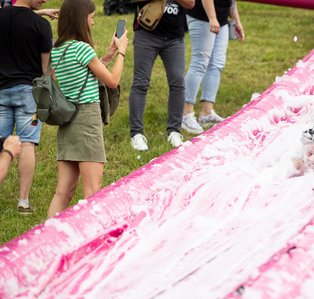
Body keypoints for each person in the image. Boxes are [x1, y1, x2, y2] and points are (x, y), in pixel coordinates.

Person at [47, 0, 129, 218]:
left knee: (62, 193)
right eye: (91, 17)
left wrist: (107, 56)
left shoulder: (58, 49)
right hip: (86, 120)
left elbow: (81, 74)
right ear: (81, 19)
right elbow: (112, 81)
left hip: (68, 122)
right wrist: (121, 52)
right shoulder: (83, 48)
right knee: (93, 192)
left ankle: (47, 240)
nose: (93, 22)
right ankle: (93, 241)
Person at [0, 0, 54, 214]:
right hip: (29, 95)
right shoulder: (41, 25)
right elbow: (45, 68)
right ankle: (23, 202)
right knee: (28, 144)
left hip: (1, 91)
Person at [128, 0, 195, 151]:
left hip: (175, 37)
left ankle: (174, 131)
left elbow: (191, 3)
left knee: (178, 82)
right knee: (141, 82)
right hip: (146, 33)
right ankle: (136, 134)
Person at [181, 0, 245, 135]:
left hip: (221, 20)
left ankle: (207, 113)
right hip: (202, 16)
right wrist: (212, 18)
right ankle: (186, 114)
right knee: (199, 63)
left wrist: (236, 21)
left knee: (217, 64)